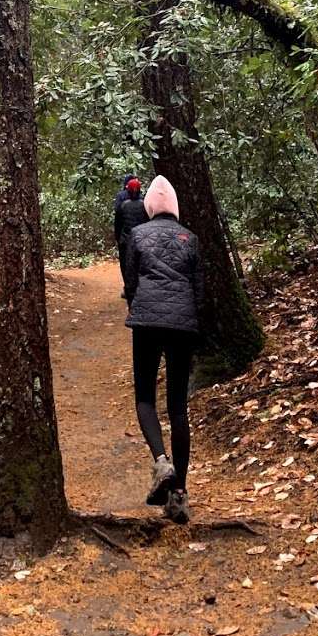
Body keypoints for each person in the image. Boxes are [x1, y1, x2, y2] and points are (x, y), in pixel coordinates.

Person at [124, 175, 203, 525]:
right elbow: (199, 291)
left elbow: (130, 281)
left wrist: (138, 303)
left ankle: (161, 461)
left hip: (145, 323)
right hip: (182, 326)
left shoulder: (137, 236)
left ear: (149, 207)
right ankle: (179, 494)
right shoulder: (191, 239)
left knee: (144, 398)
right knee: (178, 409)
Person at [114, 176, 148, 292]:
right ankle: (140, 288)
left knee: (125, 264)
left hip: (126, 240)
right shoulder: (145, 204)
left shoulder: (122, 205)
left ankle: (128, 288)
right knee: (140, 263)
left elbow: (117, 223)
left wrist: (118, 238)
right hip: (141, 239)